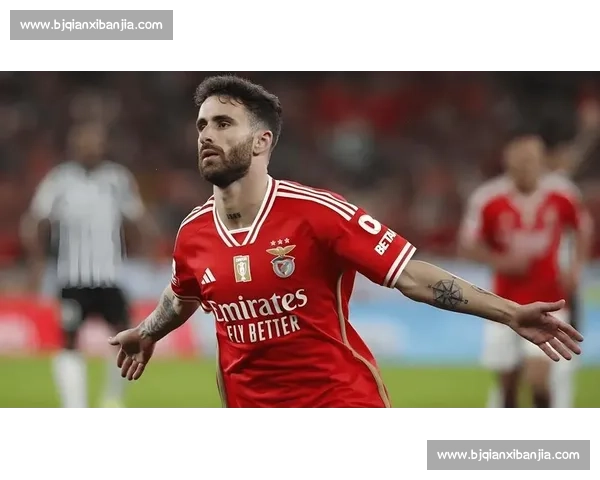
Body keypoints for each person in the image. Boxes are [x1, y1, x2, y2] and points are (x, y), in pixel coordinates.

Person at [108, 76, 583, 408]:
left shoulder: (318, 212)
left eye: (223, 123)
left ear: (261, 142)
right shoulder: (192, 232)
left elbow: (411, 275)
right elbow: (183, 293)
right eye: (202, 125)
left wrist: (510, 313)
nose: (206, 135)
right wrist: (147, 332)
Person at [21, 122, 157, 408]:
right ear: (74, 147)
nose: (88, 148)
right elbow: (36, 221)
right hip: (72, 278)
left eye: (93, 143)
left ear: (102, 146)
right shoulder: (59, 180)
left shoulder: (117, 179)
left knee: (126, 338)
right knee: (69, 341)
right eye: (83, 143)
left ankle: (112, 400)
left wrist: (148, 252)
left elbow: (137, 218)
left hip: (109, 277)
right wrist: (37, 262)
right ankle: (75, 407)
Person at [458, 129, 592, 408]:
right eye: (520, 162)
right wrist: (500, 261)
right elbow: (467, 245)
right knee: (507, 386)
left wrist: (577, 267)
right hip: (502, 303)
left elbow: (583, 228)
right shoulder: (489, 199)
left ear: (541, 162)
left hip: (549, 301)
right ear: (508, 164)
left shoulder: (561, 195)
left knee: (539, 380)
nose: (526, 168)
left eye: (531, 161)